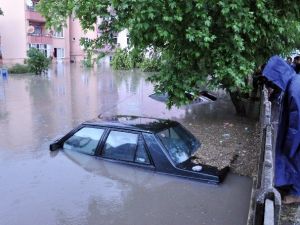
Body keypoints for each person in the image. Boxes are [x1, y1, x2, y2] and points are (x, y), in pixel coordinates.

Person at [263, 56, 300, 204]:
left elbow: (296, 126)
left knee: (297, 158)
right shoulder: (294, 81)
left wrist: (289, 146)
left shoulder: (295, 89)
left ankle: (297, 193)